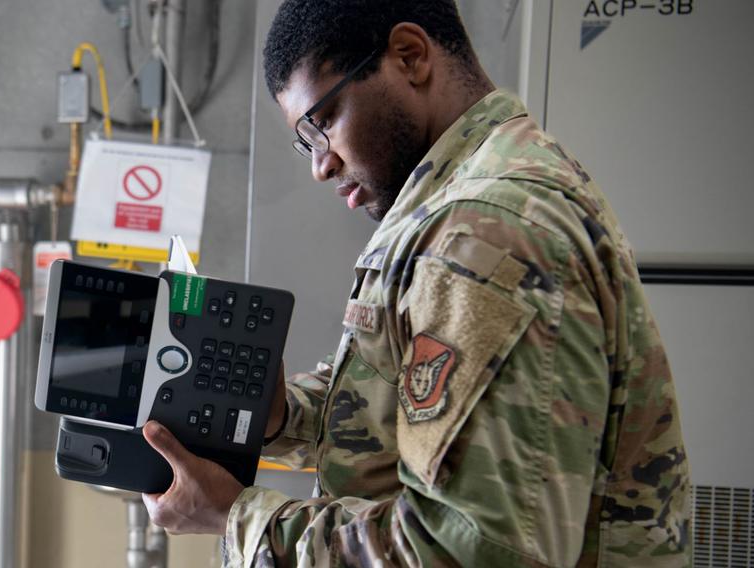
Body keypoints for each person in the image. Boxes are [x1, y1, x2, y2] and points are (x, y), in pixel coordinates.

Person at [139, 1, 691, 566]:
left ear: (409, 56)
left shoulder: (484, 232)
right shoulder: (464, 199)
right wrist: (275, 412)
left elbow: (473, 549)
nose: (320, 166)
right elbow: (403, 394)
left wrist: (241, 518)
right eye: (306, 142)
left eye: (323, 121)